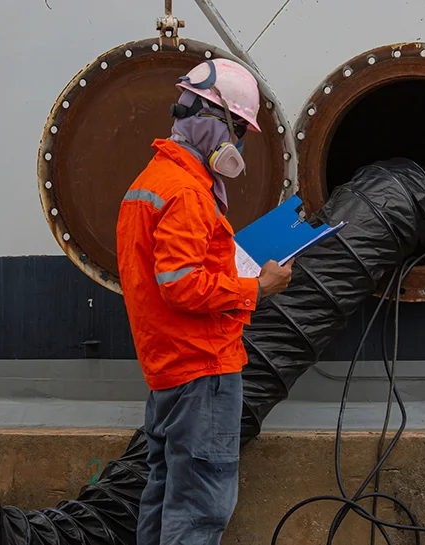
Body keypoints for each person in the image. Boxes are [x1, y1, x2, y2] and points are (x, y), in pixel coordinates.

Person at [116, 58, 294, 545]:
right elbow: (182, 286)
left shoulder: (148, 184)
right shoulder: (189, 193)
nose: (237, 144)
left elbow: (163, 280)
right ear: (214, 121)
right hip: (202, 370)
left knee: (165, 493)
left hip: (168, 370)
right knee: (199, 508)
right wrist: (259, 286)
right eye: (238, 130)